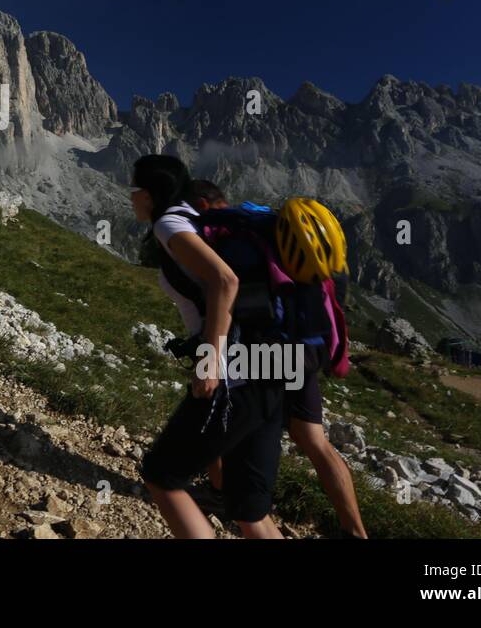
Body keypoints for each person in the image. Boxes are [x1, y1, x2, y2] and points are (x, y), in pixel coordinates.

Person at [187, 180, 368, 539]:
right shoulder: (266, 227)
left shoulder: (227, 236)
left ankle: (227, 497)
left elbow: (222, 295)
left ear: (203, 206)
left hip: (264, 356)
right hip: (307, 348)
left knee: (215, 416)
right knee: (314, 440)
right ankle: (355, 530)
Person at [130, 155, 286, 539]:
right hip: (276, 361)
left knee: (162, 475)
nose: (130, 199)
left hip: (237, 368)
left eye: (134, 192)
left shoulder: (170, 223)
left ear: (149, 195)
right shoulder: (198, 216)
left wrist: (210, 360)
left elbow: (224, 281)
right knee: (248, 508)